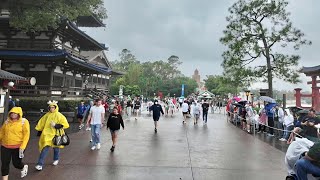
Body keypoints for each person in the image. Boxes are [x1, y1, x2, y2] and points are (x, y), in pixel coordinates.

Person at [35, 102, 69, 171]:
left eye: (53, 107)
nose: (51, 109)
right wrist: (39, 131)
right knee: (44, 149)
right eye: (50, 107)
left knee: (56, 148)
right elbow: (41, 123)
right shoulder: (46, 115)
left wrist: (56, 125)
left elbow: (65, 124)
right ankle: (40, 164)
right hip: (47, 135)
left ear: (56, 108)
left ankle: (56, 159)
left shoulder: (59, 115)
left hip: (56, 135)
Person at [0, 107, 30, 179]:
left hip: (18, 147)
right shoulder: (7, 121)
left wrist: (23, 147)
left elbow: (26, 135)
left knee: (16, 164)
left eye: (15, 113)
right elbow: (2, 132)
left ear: (19, 114)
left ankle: (23, 167)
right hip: (5, 146)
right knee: (4, 164)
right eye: (12, 113)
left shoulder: (24, 122)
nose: (13, 115)